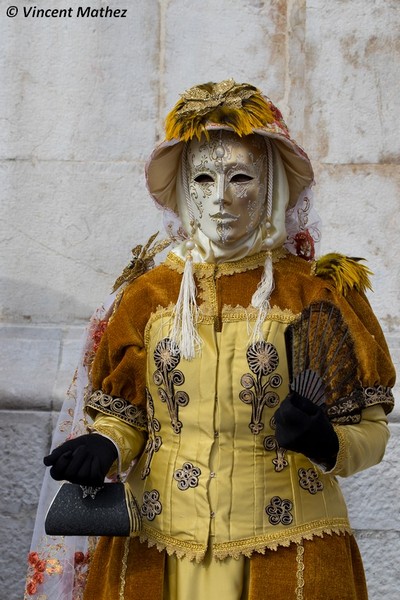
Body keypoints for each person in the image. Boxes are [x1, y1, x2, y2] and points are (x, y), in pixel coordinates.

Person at [39, 80, 395, 600]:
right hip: (157, 546)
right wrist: (107, 442)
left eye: (241, 177)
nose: (222, 198)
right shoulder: (149, 295)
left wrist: (327, 442)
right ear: (185, 189)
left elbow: (371, 430)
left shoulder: (315, 294)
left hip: (288, 544)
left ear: (270, 185)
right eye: (204, 178)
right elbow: (128, 416)